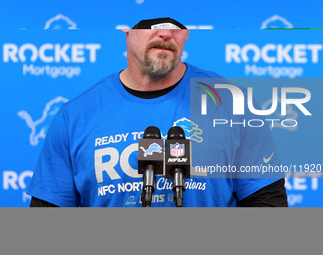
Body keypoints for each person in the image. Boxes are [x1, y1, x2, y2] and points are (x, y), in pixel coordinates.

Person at [27, 17, 288, 207]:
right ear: (125, 28)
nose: (164, 33)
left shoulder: (232, 103)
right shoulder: (75, 116)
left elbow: (266, 203)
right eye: (151, 24)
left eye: (175, 25)